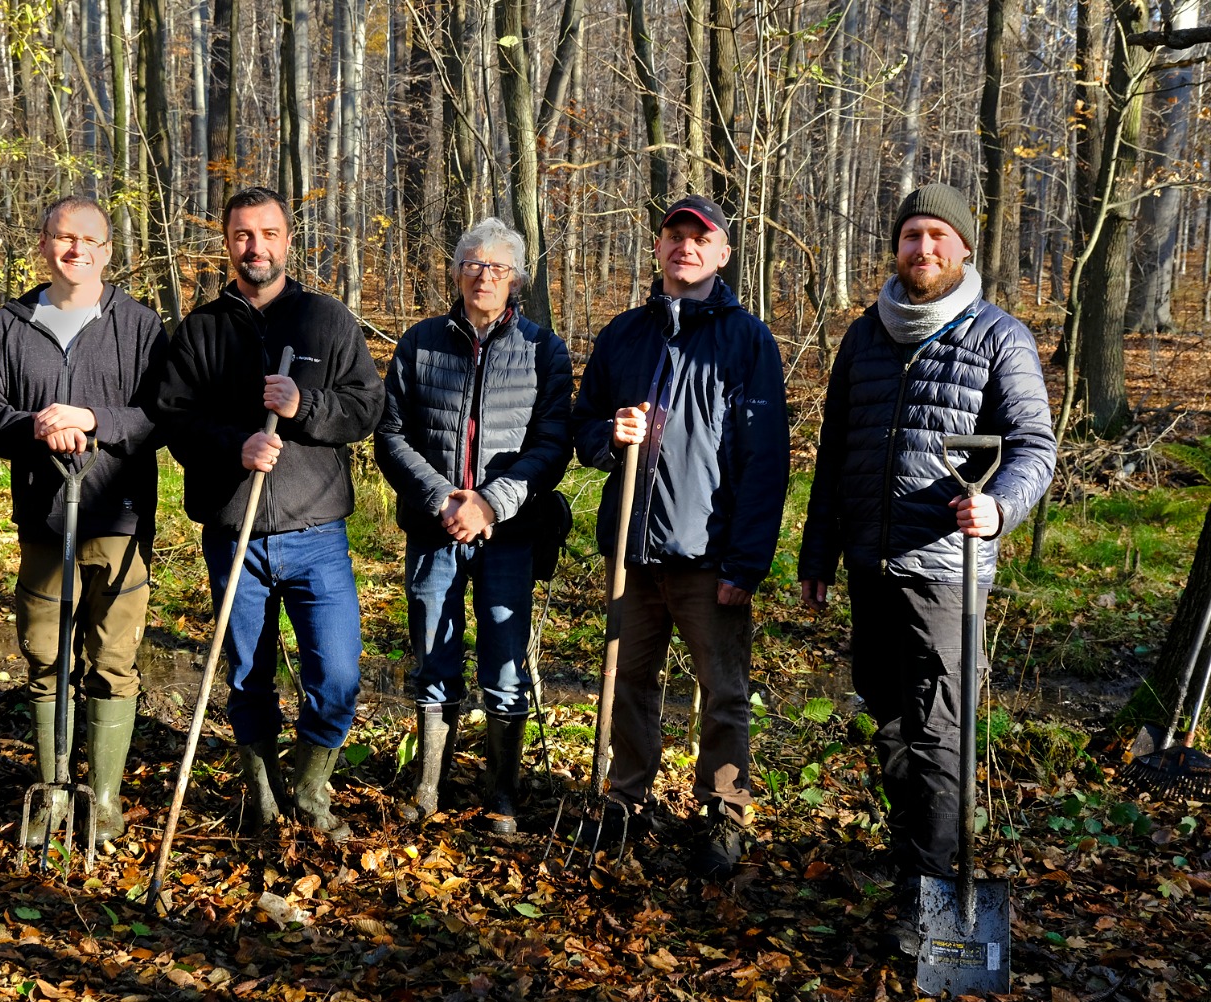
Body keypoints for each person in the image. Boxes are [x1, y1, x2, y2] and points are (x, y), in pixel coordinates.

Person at [798, 183, 1055, 950]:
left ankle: (931, 901)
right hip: (869, 564)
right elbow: (835, 451)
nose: (924, 248)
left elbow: (1034, 446)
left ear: (964, 248)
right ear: (897, 247)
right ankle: (916, 860)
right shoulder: (864, 336)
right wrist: (817, 551)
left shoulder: (999, 337)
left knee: (939, 730)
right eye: (912, 235)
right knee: (887, 722)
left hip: (946, 568)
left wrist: (999, 507)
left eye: (939, 235)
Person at [155, 187, 385, 841]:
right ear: (228, 243)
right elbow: (174, 419)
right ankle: (263, 799)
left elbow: (367, 407)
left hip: (317, 534)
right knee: (249, 679)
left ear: (288, 240)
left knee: (336, 676)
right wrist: (238, 444)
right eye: (242, 235)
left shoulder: (326, 319)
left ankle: (310, 789)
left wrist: (303, 406)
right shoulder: (200, 330)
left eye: (268, 233)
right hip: (235, 536)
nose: (255, 247)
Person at [571, 195, 789, 877]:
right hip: (632, 556)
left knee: (723, 693)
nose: (685, 247)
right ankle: (626, 801)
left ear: (723, 252)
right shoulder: (624, 334)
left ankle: (724, 814)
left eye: (701, 238)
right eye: (675, 235)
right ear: (659, 246)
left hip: (709, 557)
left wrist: (745, 563)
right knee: (629, 683)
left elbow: (766, 462)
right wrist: (610, 434)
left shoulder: (747, 341)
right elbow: (582, 428)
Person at [0, 196, 168, 844]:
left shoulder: (139, 325)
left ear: (108, 251)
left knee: (112, 659)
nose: (75, 249)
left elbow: (161, 416)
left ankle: (104, 801)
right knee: (45, 658)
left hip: (118, 519)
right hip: (44, 520)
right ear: (44, 244)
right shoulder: (10, 324)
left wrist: (94, 420)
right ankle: (54, 793)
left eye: (89, 240)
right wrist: (33, 427)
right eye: (63, 237)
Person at [375, 217, 572, 835]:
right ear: (457, 272)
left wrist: (490, 503)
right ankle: (428, 786)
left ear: (515, 279)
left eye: (497, 267)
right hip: (433, 531)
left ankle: (502, 796)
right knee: (433, 658)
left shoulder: (543, 350)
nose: (484, 276)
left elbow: (552, 445)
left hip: (509, 534)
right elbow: (390, 435)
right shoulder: (420, 343)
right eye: (473, 264)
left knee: (506, 667)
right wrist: (442, 500)